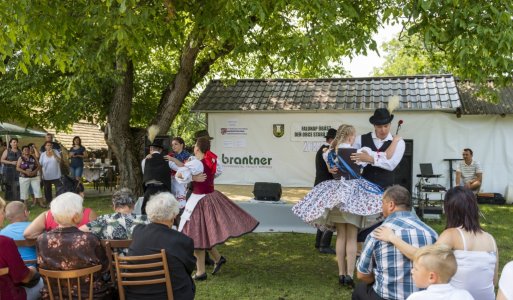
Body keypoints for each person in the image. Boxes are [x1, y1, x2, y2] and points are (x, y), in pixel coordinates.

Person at [293, 124, 401, 287]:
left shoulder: (328, 152)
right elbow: (386, 156)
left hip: (335, 195)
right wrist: (396, 141)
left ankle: (341, 274)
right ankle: (349, 275)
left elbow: (330, 167)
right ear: (351, 137)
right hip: (353, 196)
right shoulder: (357, 152)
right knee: (351, 237)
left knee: (341, 237)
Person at [373, 186, 498, 300]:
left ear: (450, 210)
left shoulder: (452, 234)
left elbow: (424, 258)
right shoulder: (491, 239)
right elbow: (494, 280)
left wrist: (392, 237)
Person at [176, 137, 259, 281]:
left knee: (195, 234)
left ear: (197, 148)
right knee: (203, 234)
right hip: (211, 198)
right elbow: (216, 173)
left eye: (195, 146)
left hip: (199, 200)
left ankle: (201, 271)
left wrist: (193, 178)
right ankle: (217, 259)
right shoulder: (212, 160)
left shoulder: (195, 163)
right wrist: (194, 178)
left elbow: (179, 175)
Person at [353, 185, 438, 300]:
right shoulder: (431, 233)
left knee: (360, 290)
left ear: (391, 205)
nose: (380, 207)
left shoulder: (377, 234)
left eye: (382, 202)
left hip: (386, 297)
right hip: (424, 297)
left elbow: (362, 274)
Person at [36, 192, 110, 299]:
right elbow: (104, 267)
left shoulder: (42, 239)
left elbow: (40, 267)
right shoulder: (90, 239)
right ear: (76, 217)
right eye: (81, 212)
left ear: (54, 217)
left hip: (55, 296)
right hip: (91, 296)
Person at [350, 107, 406, 243]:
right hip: (364, 189)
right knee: (363, 224)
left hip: (386, 189)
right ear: (374, 125)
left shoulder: (398, 142)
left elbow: (391, 164)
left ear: (390, 125)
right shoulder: (360, 139)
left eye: (386, 126)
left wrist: (370, 159)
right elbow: (352, 159)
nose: (383, 130)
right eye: (379, 126)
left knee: (383, 224)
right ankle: (361, 255)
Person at [127, 192, 196, 299]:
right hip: (170, 295)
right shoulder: (183, 240)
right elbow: (190, 268)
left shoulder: (138, 231)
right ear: (173, 215)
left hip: (135, 295)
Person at [0, 196, 44, 300]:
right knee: (45, 283)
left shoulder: (3, 234)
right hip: (8, 294)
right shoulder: (4, 242)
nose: (3, 215)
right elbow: (24, 278)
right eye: (2, 212)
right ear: (25, 212)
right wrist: (33, 270)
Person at [79, 188, 149, 247]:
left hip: (115, 262)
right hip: (143, 261)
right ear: (133, 205)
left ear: (114, 206)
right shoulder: (146, 220)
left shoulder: (103, 220)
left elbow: (79, 230)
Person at [406, 244, 474, 300]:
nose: (412, 271)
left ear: (431, 277)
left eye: (415, 268)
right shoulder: (464, 295)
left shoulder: (416, 297)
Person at [313, 128, 337, 255]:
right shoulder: (328, 151)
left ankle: (319, 242)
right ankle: (324, 244)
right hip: (327, 186)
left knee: (324, 216)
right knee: (330, 216)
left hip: (321, 185)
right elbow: (334, 170)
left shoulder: (323, 149)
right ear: (331, 140)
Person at [23, 205, 97, 240]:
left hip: (54, 267)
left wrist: (49, 238)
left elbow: (28, 234)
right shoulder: (89, 214)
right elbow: (99, 238)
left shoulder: (47, 215)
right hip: (85, 268)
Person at [0, 201, 37, 266]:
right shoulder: (37, 229)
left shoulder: (2, 233)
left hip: (12, 269)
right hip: (36, 267)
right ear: (25, 213)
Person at [141, 139, 171, 214]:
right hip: (163, 189)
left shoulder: (145, 160)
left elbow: (145, 173)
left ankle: (148, 225)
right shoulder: (167, 159)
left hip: (150, 188)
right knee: (164, 211)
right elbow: (180, 168)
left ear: (151, 149)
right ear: (160, 150)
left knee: (146, 211)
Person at [166, 137, 191, 209]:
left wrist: (173, 160)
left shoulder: (187, 155)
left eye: (175, 144)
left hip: (181, 181)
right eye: (172, 145)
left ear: (181, 145)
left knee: (181, 203)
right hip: (171, 180)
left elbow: (185, 167)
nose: (173, 146)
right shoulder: (171, 155)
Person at [39, 141, 62, 205]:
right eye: (47, 145)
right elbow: (40, 165)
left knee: (58, 189)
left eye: (50, 145)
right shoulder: (43, 154)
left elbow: (59, 161)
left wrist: (53, 153)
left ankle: (58, 202)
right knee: (47, 190)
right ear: (45, 147)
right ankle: (48, 201)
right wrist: (41, 175)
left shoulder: (56, 152)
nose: (49, 146)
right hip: (46, 175)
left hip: (56, 175)